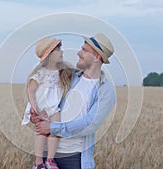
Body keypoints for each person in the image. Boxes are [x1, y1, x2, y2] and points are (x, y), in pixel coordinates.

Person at [31, 33, 116, 169]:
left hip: (73, 158)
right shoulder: (68, 76)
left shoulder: (105, 90)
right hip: (47, 153)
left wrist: (52, 127)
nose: (78, 53)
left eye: (84, 50)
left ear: (97, 57)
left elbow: (90, 124)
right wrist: (36, 114)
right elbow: (48, 100)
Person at [21, 36, 73, 169]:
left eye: (60, 48)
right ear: (49, 56)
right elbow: (31, 91)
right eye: (57, 50)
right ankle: (38, 162)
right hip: (41, 106)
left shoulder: (60, 71)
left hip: (54, 106)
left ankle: (50, 160)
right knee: (42, 132)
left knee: (54, 130)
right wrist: (34, 107)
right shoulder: (41, 73)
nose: (62, 52)